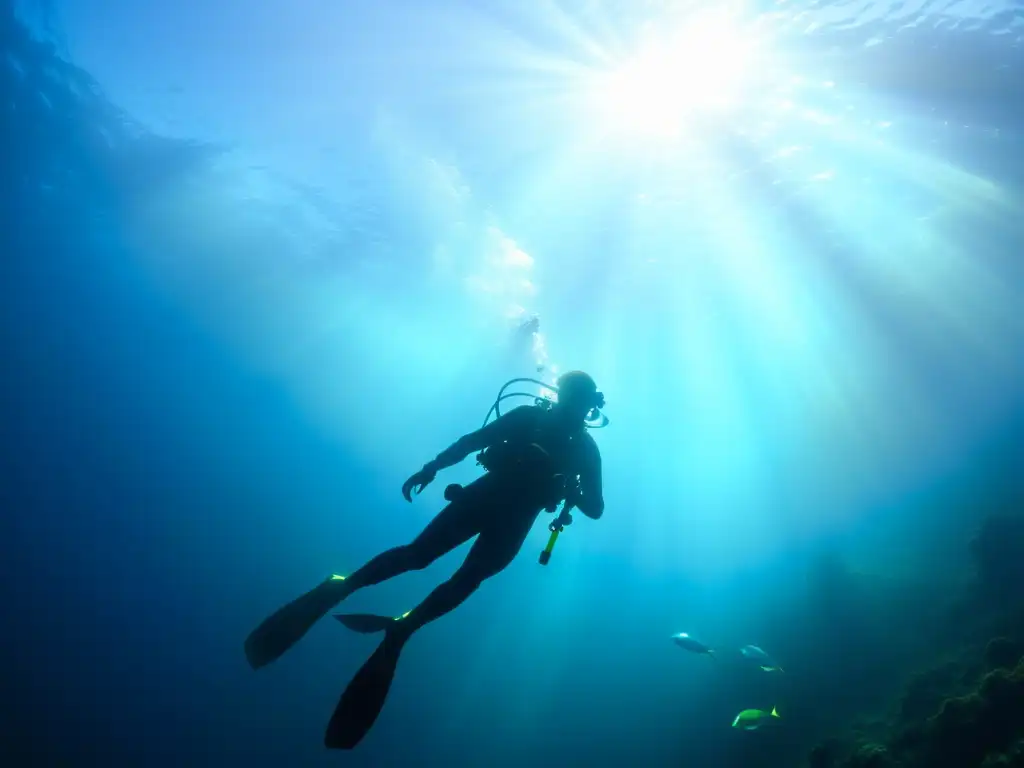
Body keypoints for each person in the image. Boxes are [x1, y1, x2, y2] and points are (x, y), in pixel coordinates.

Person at [244, 370, 606, 749]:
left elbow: (595, 507)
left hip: (507, 520)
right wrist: (432, 467)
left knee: (463, 578)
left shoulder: (582, 448)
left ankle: (401, 625)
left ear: (588, 405)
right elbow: (474, 442)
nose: (572, 405)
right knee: (421, 557)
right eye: (570, 396)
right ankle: (352, 592)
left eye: (579, 400)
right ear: (563, 394)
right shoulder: (535, 419)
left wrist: (573, 490)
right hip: (485, 504)